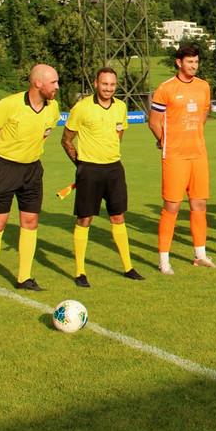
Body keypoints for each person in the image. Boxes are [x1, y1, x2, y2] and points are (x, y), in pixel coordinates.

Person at [0, 64, 60, 299]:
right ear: (38, 83)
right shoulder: (8, 104)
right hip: (4, 168)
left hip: (33, 170)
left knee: (30, 221)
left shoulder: (53, 109)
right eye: (53, 82)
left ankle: (24, 277)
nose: (57, 86)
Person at [60, 67, 145, 287]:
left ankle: (128, 267)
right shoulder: (82, 107)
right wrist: (81, 165)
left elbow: (120, 134)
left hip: (114, 169)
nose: (108, 88)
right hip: (89, 170)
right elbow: (66, 140)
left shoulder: (121, 107)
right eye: (104, 84)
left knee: (118, 216)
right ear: (96, 84)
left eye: (112, 84)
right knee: (85, 219)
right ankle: (80, 272)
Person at [149, 44, 215, 274]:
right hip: (174, 156)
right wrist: (165, 142)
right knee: (172, 206)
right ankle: (164, 260)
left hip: (198, 154)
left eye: (196, 62)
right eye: (190, 62)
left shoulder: (204, 87)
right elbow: (154, 122)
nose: (194, 66)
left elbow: (203, 115)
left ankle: (200, 255)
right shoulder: (166, 88)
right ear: (179, 62)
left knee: (199, 204)